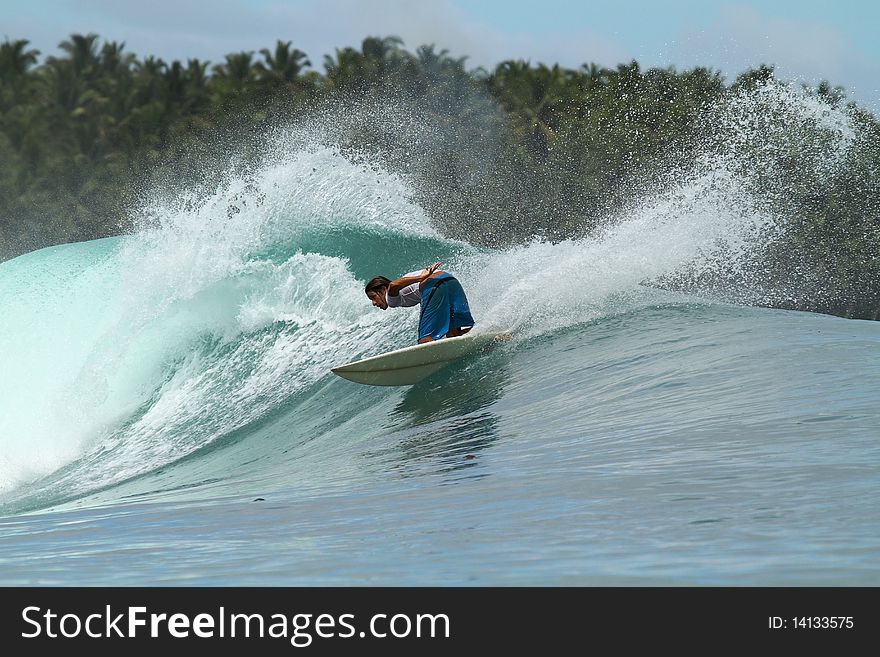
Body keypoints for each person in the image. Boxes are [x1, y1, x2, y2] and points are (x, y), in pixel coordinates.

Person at [365, 262, 475, 344]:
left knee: (425, 340)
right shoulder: (402, 286)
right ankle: (484, 328)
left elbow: (393, 285)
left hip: (434, 285)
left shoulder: (390, 298)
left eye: (373, 297)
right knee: (453, 334)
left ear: (383, 289)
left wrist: (420, 278)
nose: (374, 303)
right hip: (450, 280)